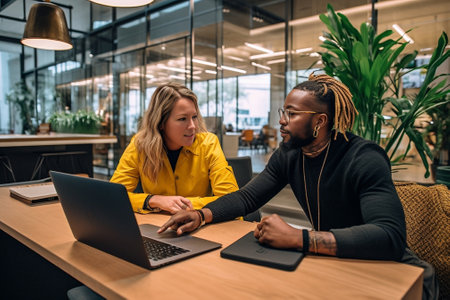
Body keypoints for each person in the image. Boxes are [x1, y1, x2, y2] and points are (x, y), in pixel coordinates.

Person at [159, 74, 438, 299]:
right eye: (284, 112)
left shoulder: (364, 158)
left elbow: (389, 237)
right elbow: (246, 198)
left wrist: (300, 238)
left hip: (398, 273)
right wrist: (200, 214)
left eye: (291, 114)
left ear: (319, 121)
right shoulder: (290, 154)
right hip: (338, 263)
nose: (282, 120)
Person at [110, 83, 238, 214]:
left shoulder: (208, 143)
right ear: (160, 123)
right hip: (155, 228)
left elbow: (231, 201)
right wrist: (153, 200)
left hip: (200, 227)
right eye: (182, 119)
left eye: (194, 117)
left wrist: (179, 204)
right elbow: (112, 196)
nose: (193, 126)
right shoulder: (140, 145)